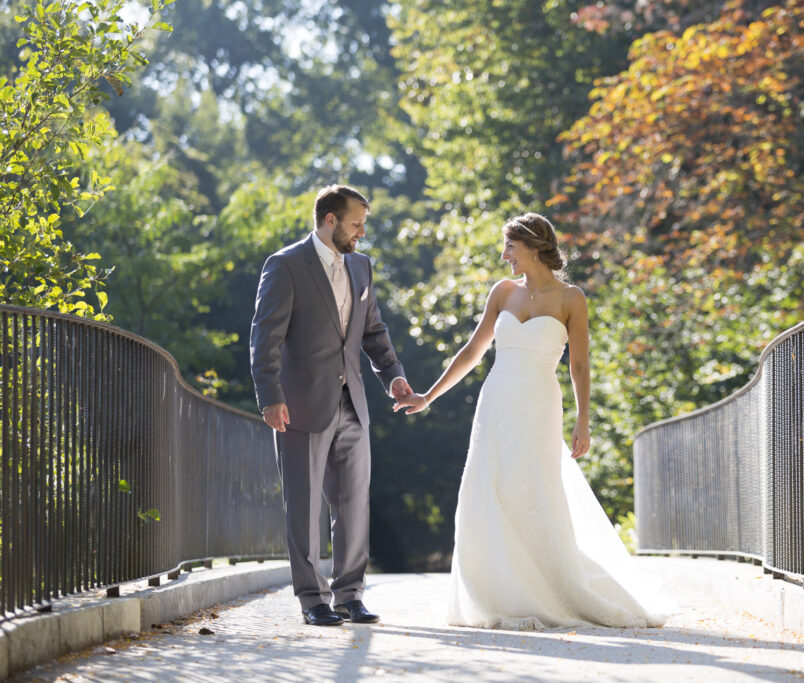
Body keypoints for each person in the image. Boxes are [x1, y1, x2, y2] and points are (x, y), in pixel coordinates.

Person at [393, 212, 665, 630]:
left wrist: (583, 420)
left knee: (535, 490)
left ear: (534, 246)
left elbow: (579, 364)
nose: (505, 256)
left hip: (539, 403)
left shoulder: (571, 298)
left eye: (510, 247)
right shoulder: (502, 292)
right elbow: (472, 352)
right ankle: (496, 591)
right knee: (488, 487)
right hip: (497, 400)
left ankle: (552, 588)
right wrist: (429, 395)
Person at [250, 184, 413, 627]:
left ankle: (349, 596)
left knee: (353, 503)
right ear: (330, 220)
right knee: (304, 506)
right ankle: (312, 599)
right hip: (300, 403)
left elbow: (374, 332)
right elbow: (265, 338)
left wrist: (393, 375)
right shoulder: (285, 265)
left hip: (353, 403)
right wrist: (270, 397)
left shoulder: (362, 267)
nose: (362, 232)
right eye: (357, 223)